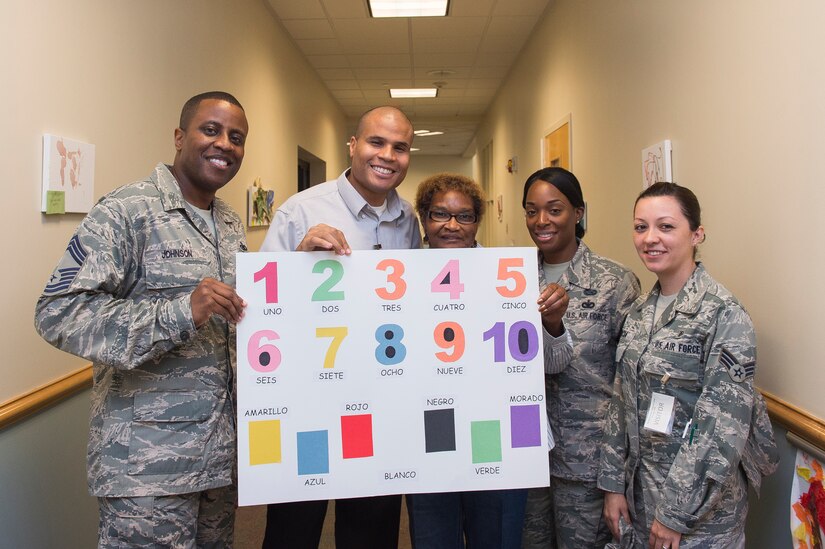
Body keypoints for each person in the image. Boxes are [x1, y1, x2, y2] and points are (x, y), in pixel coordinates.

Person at [34, 91, 250, 548]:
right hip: (147, 472)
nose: (224, 144)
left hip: (218, 465)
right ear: (179, 136)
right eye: (210, 130)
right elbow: (58, 312)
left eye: (236, 137)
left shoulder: (229, 224)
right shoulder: (127, 211)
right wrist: (180, 312)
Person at [259, 106, 421, 549]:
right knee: (294, 529)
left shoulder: (408, 221)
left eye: (400, 147)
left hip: (378, 400)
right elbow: (259, 309)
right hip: (308, 401)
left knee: (371, 528)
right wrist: (298, 263)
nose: (387, 155)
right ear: (353, 145)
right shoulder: (300, 212)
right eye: (376, 142)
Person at [598, 182, 778, 549]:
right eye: (640, 227)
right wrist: (613, 486)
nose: (650, 238)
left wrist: (675, 514)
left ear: (696, 234)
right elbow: (621, 403)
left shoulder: (723, 315)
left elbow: (719, 427)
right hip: (642, 497)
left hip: (701, 517)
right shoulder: (639, 312)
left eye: (666, 226)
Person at [406, 173, 572, 549]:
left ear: (477, 222)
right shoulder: (396, 278)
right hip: (428, 439)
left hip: (497, 438)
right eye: (439, 215)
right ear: (423, 219)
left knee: (496, 538)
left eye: (464, 216)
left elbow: (556, 362)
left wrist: (552, 323)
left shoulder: (510, 275)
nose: (451, 225)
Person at [520, 167, 641, 549]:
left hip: (587, 463)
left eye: (554, 209)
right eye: (531, 210)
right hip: (527, 454)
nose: (542, 221)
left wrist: (615, 478)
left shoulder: (614, 282)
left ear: (578, 212)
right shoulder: (511, 278)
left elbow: (630, 384)